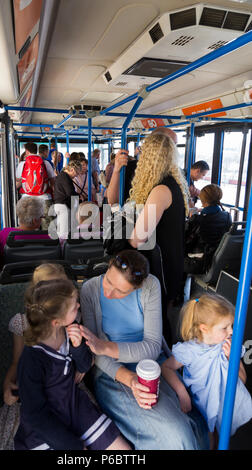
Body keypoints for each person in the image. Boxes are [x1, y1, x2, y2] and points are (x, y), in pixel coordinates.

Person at [80, 249, 208, 450]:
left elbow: (151, 348)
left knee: (195, 425)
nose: (108, 292)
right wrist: (129, 379)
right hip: (112, 372)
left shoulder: (150, 285)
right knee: (175, 434)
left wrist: (105, 346)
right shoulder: (90, 290)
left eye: (120, 291)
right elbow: (97, 355)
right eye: (108, 281)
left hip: (152, 365)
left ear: (136, 287)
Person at [14, 278, 131, 450]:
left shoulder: (71, 329)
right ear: (56, 321)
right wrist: (73, 445)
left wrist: (77, 347)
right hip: (47, 423)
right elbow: (35, 414)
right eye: (74, 306)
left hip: (75, 406)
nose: (78, 305)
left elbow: (84, 366)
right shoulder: (32, 359)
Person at [0, 263, 69, 450]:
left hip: (63, 388)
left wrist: (82, 369)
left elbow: (78, 354)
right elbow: (16, 361)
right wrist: (7, 386)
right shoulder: (22, 323)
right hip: (31, 391)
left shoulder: (69, 318)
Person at [161, 293, 252, 449]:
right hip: (202, 407)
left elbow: (242, 380)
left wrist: (233, 358)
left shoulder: (229, 346)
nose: (231, 331)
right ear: (204, 328)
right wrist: (182, 392)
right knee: (207, 440)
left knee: (220, 437)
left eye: (231, 326)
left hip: (225, 405)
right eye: (225, 327)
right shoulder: (191, 351)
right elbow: (166, 367)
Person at [124, 132, 189, 346]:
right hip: (173, 259)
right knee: (162, 314)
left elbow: (137, 239)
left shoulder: (160, 190)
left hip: (161, 264)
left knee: (155, 320)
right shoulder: (174, 185)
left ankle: (161, 361)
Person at [184, 184, 232, 275]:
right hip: (217, 260)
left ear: (202, 200)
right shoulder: (227, 216)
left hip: (199, 262)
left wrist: (191, 219)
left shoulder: (198, 220)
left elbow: (186, 240)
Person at [0, 197, 49, 264]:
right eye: (41, 217)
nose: (42, 219)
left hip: (12, 273)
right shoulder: (47, 238)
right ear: (35, 221)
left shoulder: (4, 234)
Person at [15, 142, 56, 229]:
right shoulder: (46, 163)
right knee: (48, 228)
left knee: (30, 227)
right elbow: (53, 183)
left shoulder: (22, 164)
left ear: (26, 151)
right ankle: (48, 242)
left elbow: (19, 180)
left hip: (27, 200)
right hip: (45, 198)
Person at [52, 160, 82, 240]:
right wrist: (79, 197)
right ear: (72, 169)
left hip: (61, 205)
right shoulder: (64, 177)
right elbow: (70, 192)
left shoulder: (62, 176)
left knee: (63, 230)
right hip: (63, 206)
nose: (76, 176)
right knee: (63, 233)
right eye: (77, 173)